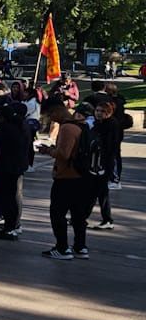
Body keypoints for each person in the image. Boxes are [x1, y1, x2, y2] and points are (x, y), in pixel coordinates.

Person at [40, 98, 94, 260]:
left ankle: (62, 247)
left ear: (56, 110)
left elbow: (64, 154)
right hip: (82, 177)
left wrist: (48, 151)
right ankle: (80, 246)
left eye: (50, 115)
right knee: (78, 214)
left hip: (66, 177)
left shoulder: (67, 128)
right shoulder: (80, 126)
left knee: (57, 213)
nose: (51, 119)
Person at [0, 104, 29, 240]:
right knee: (12, 197)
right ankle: (12, 225)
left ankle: (9, 226)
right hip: (17, 167)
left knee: (6, 198)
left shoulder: (3, 130)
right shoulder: (20, 127)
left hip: (5, 168)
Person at [92, 100, 121, 229]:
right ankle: (83, 216)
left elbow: (110, 146)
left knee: (100, 192)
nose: (99, 113)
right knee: (95, 192)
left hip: (104, 163)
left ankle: (107, 219)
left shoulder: (111, 125)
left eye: (102, 111)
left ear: (108, 113)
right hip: (97, 162)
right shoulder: (98, 124)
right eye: (97, 110)